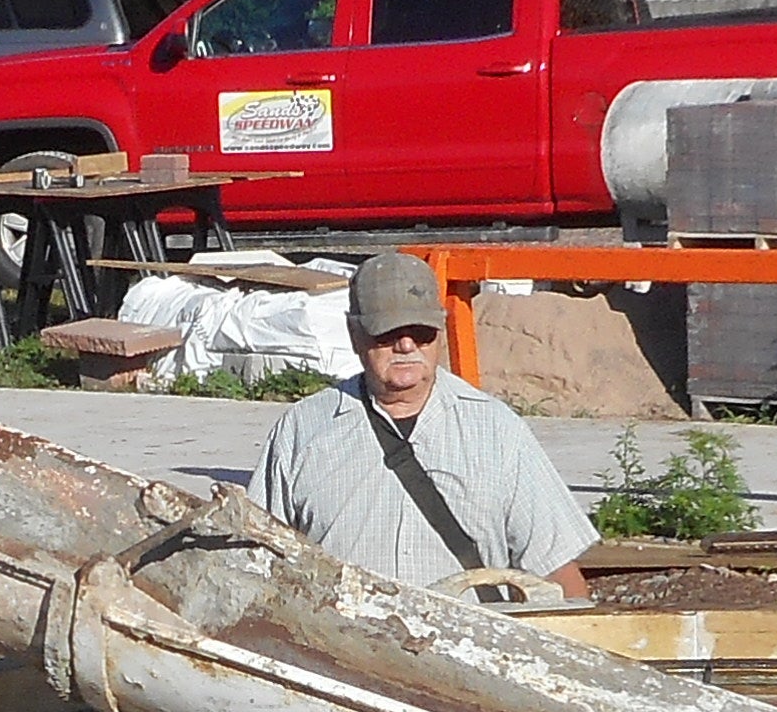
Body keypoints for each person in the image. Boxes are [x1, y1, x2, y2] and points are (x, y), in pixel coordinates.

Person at [252, 246, 595, 599]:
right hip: (342, 645)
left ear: (440, 330)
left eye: (421, 332)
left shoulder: (497, 430)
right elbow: (254, 558)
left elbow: (556, 568)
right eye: (386, 332)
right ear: (354, 333)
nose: (405, 345)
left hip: (470, 646)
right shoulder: (302, 430)